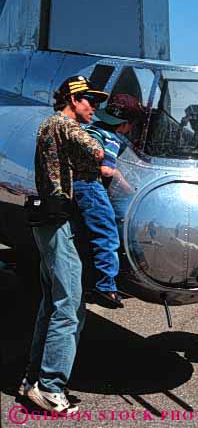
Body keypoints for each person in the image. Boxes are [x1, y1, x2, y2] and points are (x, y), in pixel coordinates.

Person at [18, 75, 108, 412]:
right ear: (73, 99)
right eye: (88, 101)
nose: (93, 107)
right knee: (70, 305)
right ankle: (52, 387)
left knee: (52, 304)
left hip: (47, 222)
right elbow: (96, 150)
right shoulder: (62, 124)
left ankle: (32, 381)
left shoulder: (49, 128)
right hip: (57, 222)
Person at [73, 93, 145, 307]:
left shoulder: (90, 129)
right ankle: (106, 287)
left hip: (76, 185)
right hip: (91, 187)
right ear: (124, 124)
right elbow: (107, 170)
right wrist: (129, 189)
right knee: (108, 235)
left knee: (88, 235)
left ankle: (88, 281)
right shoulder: (111, 137)